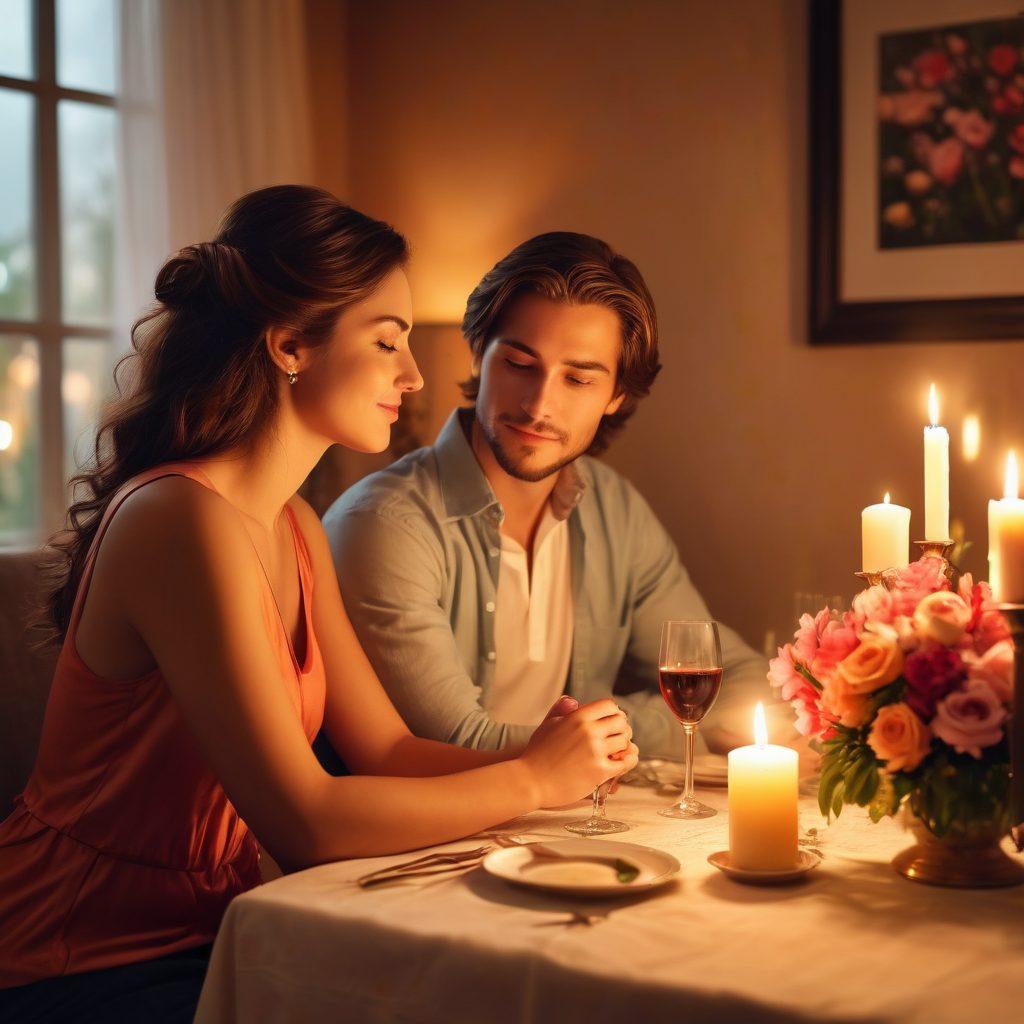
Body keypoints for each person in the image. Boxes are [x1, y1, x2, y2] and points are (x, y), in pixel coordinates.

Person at [0, 188, 636, 1023]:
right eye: (387, 341)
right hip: (72, 955)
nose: (412, 376)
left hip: (224, 931)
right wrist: (530, 779)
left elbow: (387, 749)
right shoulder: (179, 520)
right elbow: (305, 818)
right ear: (291, 345)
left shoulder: (294, 524)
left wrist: (564, 766)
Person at [323, 231, 775, 761]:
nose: (539, 405)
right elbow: (455, 745)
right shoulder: (384, 523)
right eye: (519, 364)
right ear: (477, 355)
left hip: (571, 827)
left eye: (578, 379)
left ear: (617, 396)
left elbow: (741, 684)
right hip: (430, 836)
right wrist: (655, 733)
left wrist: (605, 735)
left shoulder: (616, 510)